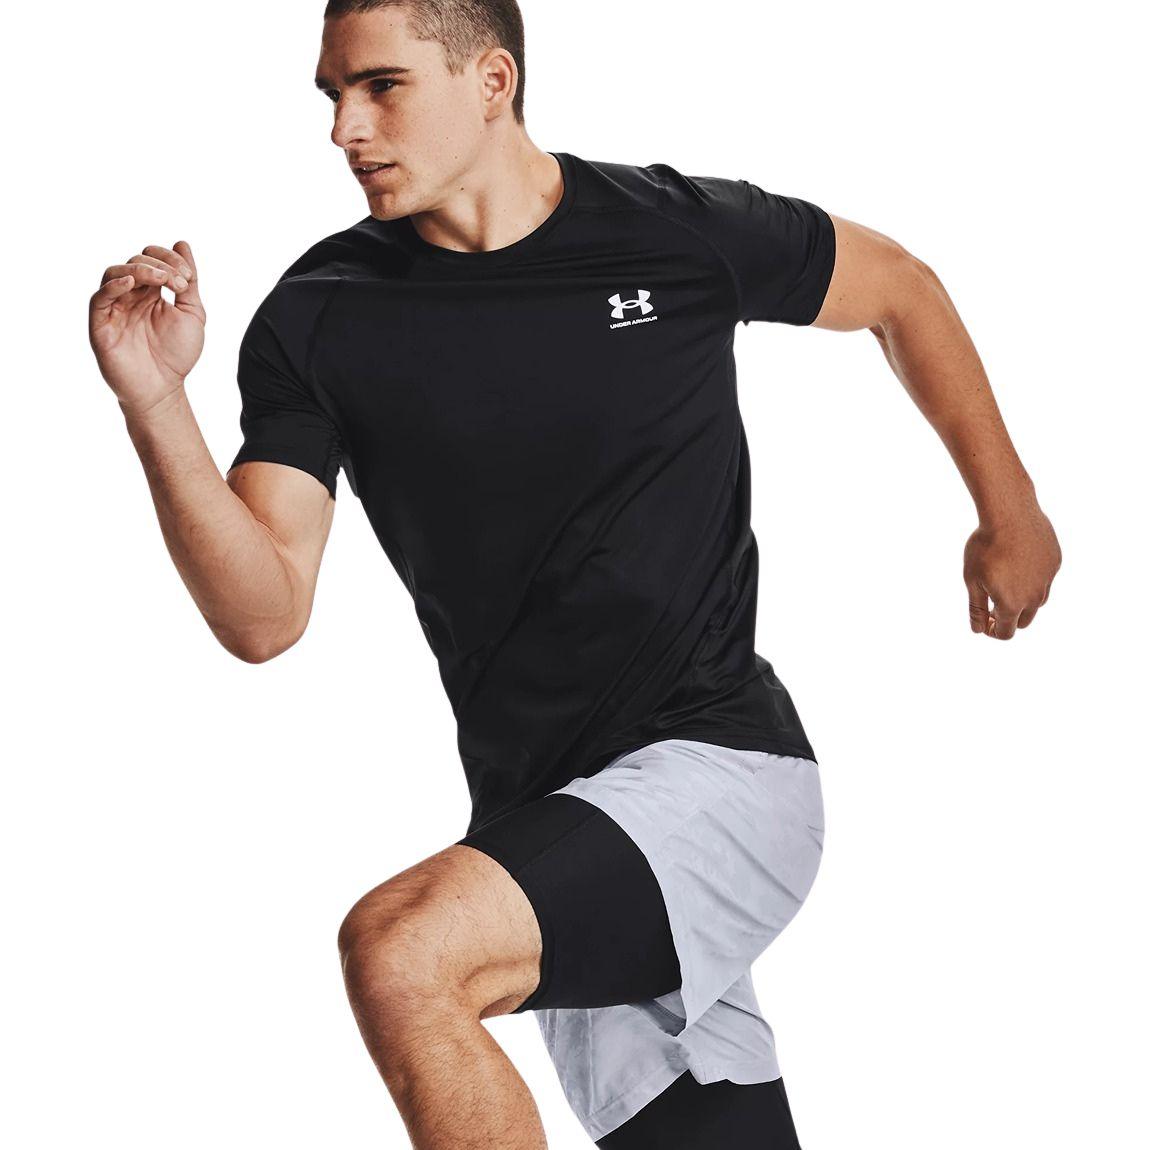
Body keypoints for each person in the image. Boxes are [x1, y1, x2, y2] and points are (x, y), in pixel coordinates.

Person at [87, 1, 1062, 1146]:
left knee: (404, 952)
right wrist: (156, 403)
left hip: (719, 767)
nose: (344, 128)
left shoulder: (669, 233)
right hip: (545, 824)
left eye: (381, 86)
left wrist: (1010, 511)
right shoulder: (321, 316)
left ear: (491, 81)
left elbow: (897, 286)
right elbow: (263, 614)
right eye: (333, 94)